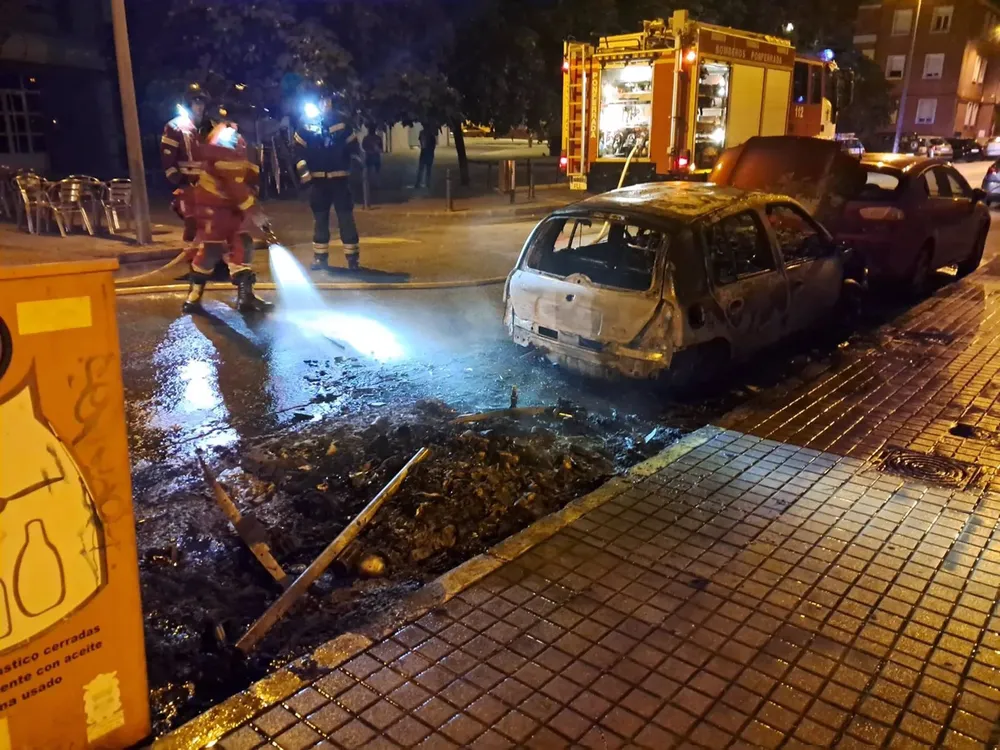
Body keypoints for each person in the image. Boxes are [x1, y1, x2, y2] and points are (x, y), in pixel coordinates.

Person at [183, 123, 272, 314]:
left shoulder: (236, 138)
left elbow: (246, 175)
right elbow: (233, 181)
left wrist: (253, 195)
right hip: (216, 206)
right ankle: (199, 296)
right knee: (222, 248)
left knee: (230, 247)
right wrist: (253, 210)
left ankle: (239, 297)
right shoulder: (228, 138)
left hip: (223, 205)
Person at [293, 94, 363, 271]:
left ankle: (353, 259)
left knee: (346, 218)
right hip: (318, 181)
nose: (324, 104)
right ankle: (320, 258)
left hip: (340, 179)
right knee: (320, 220)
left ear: (331, 102)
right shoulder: (306, 126)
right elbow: (298, 153)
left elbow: (354, 148)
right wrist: (305, 175)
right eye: (320, 101)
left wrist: (354, 170)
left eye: (326, 101)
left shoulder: (341, 122)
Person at [160, 83, 215, 263]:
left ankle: (211, 262)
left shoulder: (208, 127)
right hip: (187, 186)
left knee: (212, 224)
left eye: (202, 103)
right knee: (192, 223)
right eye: (196, 102)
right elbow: (168, 161)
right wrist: (179, 181)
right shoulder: (175, 127)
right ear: (188, 104)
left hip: (207, 186)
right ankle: (193, 264)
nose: (199, 107)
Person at [414, 123, 436, 189]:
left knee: (421, 169)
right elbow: (433, 144)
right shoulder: (431, 134)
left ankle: (418, 183)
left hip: (424, 152)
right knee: (428, 170)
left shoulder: (422, 133)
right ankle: (427, 183)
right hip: (429, 153)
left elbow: (421, 141)